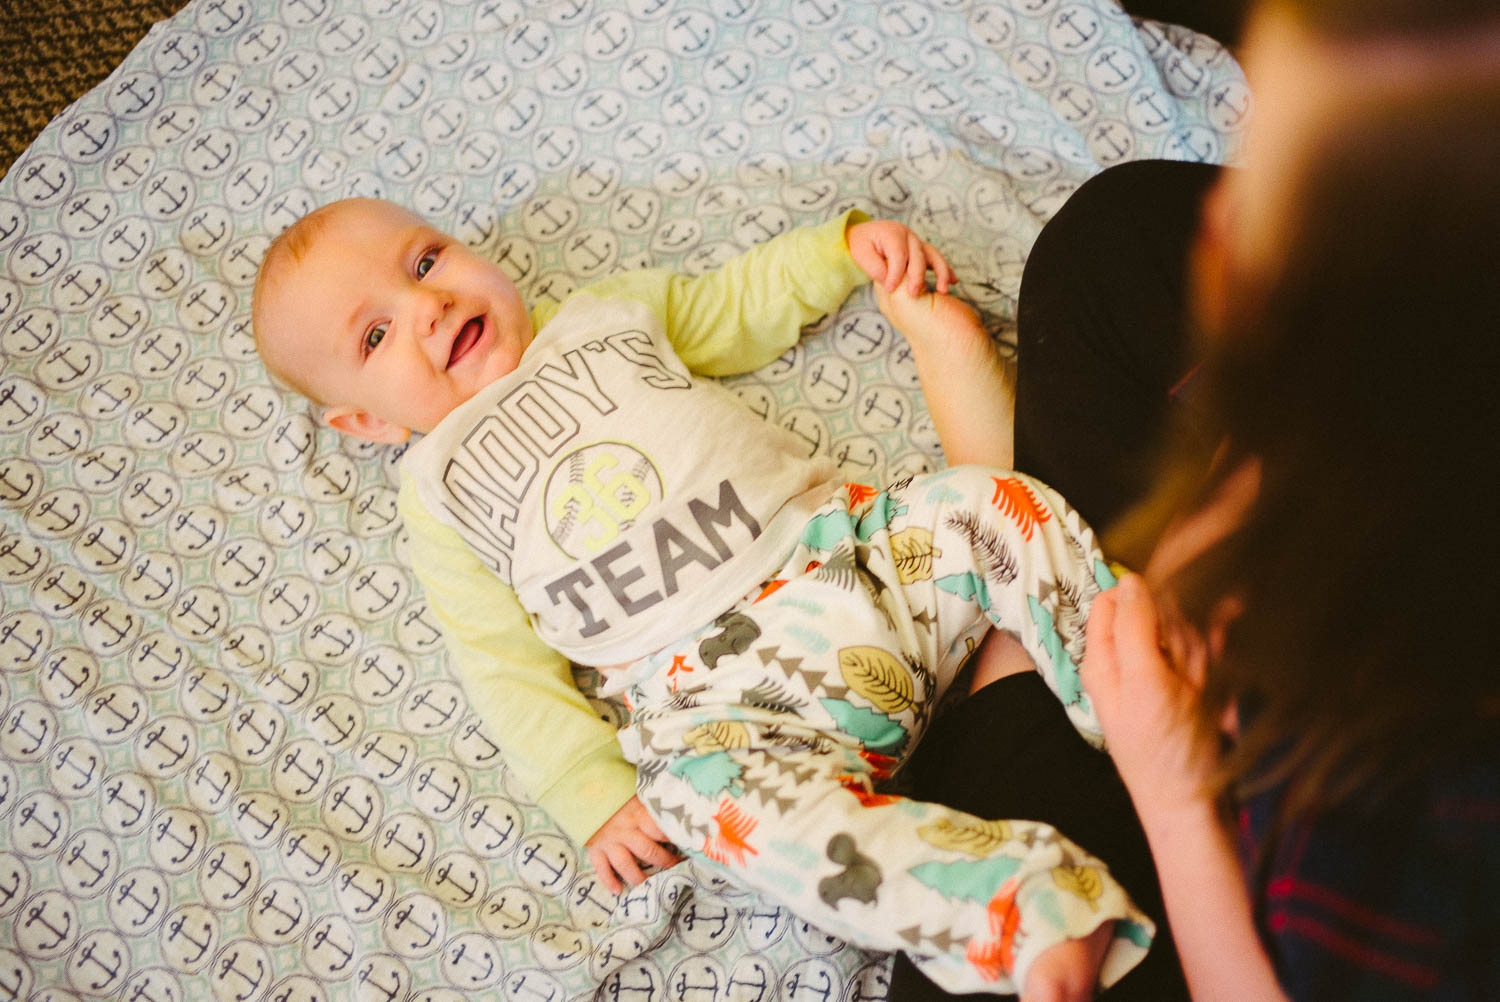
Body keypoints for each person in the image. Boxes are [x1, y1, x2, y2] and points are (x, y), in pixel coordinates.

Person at [251, 198, 1155, 998]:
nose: (428, 306)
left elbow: (734, 305)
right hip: (719, 702)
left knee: (988, 507)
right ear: (364, 422)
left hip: (853, 561)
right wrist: (586, 789)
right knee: (703, 802)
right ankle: (1016, 907)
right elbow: (496, 660)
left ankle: (1136, 699)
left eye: (425, 261)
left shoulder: (607, 317)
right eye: (375, 337)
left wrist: (839, 250)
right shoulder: (437, 489)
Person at [896, 0, 1500, 998]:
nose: (1223, 215)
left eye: (1287, 213)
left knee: (998, 929)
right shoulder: (1422, 437)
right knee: (1114, 239)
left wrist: (1174, 794)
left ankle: (1013, 647)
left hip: (1239, 876)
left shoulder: (1407, 836)